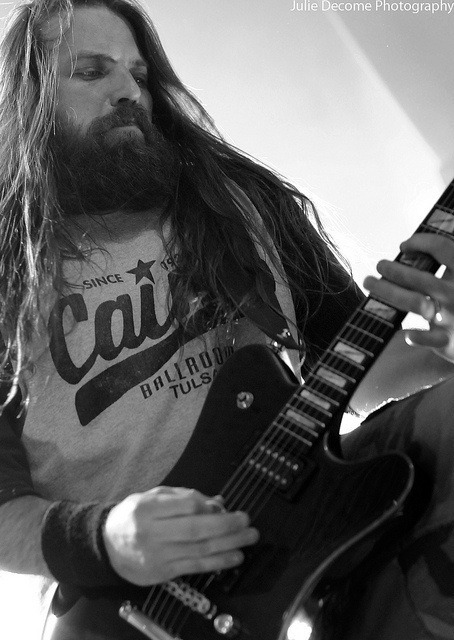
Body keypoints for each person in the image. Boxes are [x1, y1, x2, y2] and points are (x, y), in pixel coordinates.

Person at [0, 0, 453, 638]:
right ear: (31, 98)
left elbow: (362, 368)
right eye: (92, 71)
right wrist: (106, 537)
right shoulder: (9, 270)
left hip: (309, 511)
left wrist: (447, 340)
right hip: (124, 602)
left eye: (138, 74)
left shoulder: (242, 205)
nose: (128, 92)